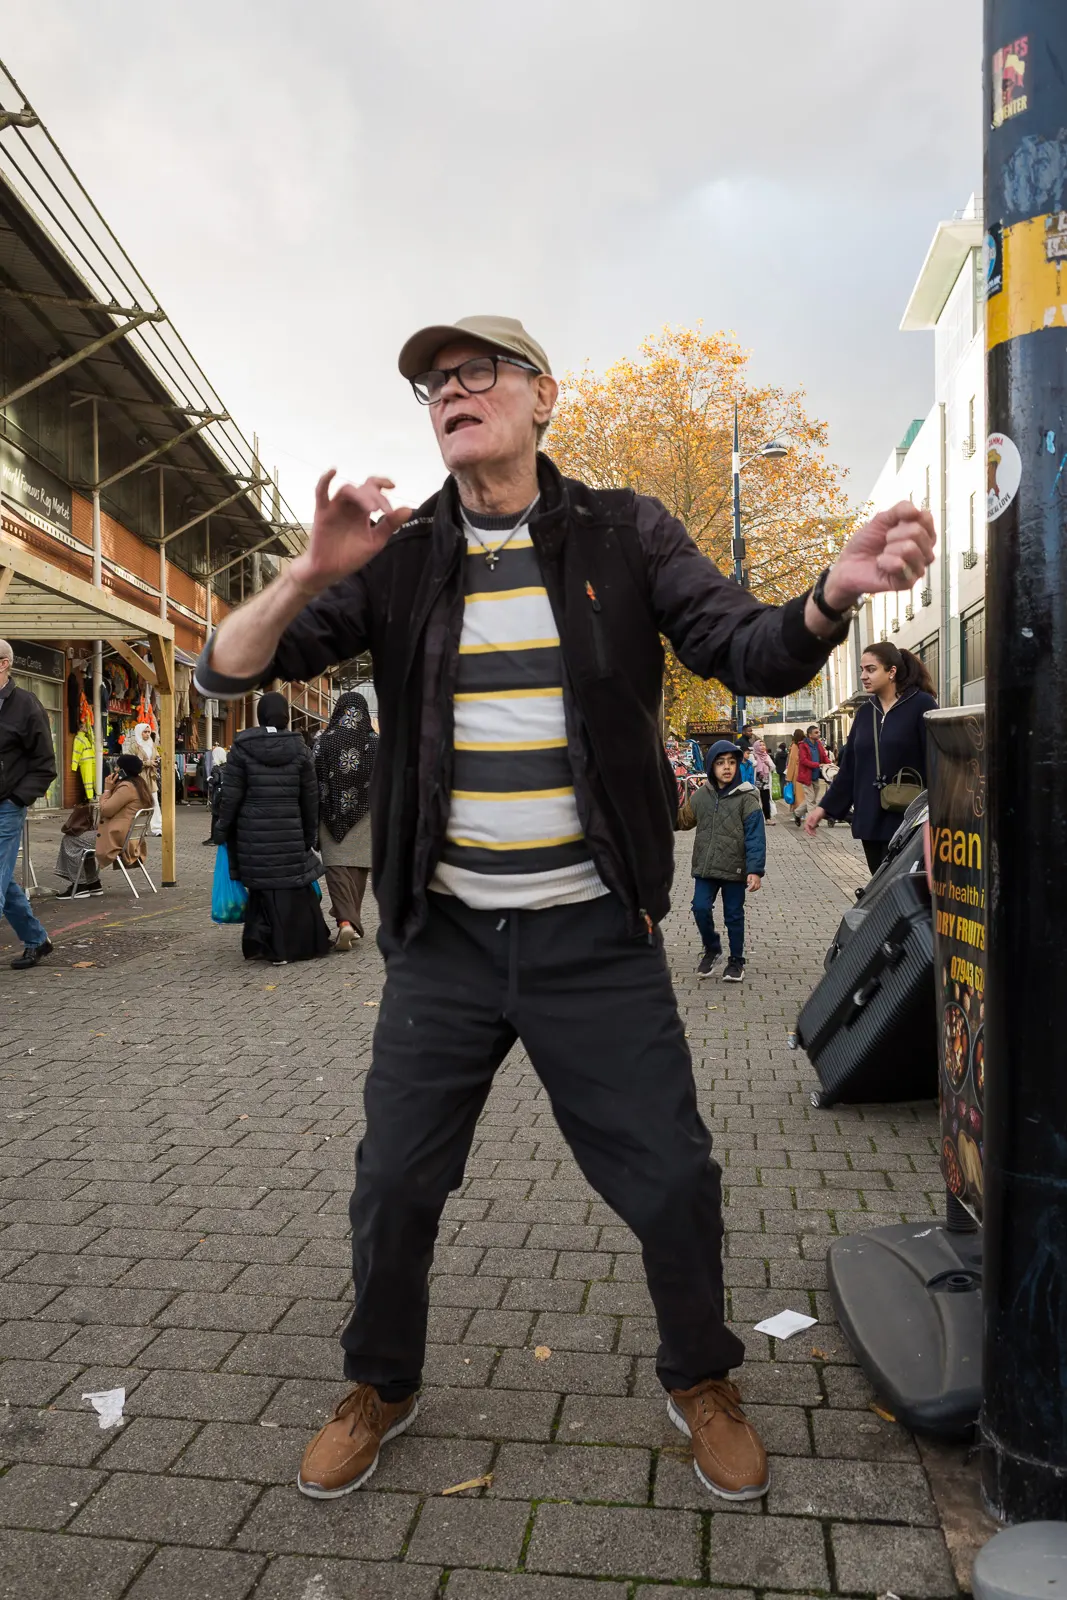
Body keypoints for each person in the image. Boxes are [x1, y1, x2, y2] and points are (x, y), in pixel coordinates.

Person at [194, 312, 935, 1503]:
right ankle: (380, 1381)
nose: (450, 391)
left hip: (595, 934)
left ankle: (700, 1376)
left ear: (542, 395)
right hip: (443, 941)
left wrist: (828, 594)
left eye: (475, 371)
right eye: (433, 382)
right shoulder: (398, 554)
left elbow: (744, 648)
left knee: (672, 1177)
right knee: (393, 1183)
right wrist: (302, 574)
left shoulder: (623, 530)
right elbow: (226, 668)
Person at [211, 692, 330, 964]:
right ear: (286, 716)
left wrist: (222, 829)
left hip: (253, 833)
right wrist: (309, 834)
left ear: (260, 715)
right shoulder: (301, 749)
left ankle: (265, 945)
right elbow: (310, 797)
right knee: (291, 886)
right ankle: (296, 944)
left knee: (263, 887)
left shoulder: (242, 748)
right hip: (290, 829)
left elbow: (231, 795)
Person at [805, 642, 938, 872]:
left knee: (906, 887)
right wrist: (823, 808)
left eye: (871, 669)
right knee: (879, 888)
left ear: (891, 671)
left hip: (909, 818)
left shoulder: (921, 704)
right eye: (862, 670)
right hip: (871, 818)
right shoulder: (865, 713)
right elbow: (850, 768)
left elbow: (937, 760)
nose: (863, 676)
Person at [677, 740, 765, 983]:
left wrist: (755, 870)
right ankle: (712, 948)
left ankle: (736, 961)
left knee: (733, 915)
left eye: (731, 762)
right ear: (710, 767)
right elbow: (683, 821)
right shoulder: (702, 795)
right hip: (706, 868)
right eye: (720, 763)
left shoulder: (747, 797)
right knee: (700, 907)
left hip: (735, 869)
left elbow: (756, 836)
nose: (727, 767)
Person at [0, 638, 57, 970]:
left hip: (7, 807)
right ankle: (37, 940)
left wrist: (18, 797)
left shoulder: (26, 705)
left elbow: (45, 763)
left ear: (3, 664)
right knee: (4, 880)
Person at [314, 691, 377, 950]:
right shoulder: (376, 743)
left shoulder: (323, 741)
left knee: (336, 868)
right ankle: (350, 920)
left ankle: (346, 922)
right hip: (366, 813)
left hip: (330, 813)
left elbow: (313, 780)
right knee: (358, 869)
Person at [94, 754, 153, 874]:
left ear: (123, 771)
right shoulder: (140, 784)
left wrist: (107, 790)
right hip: (130, 837)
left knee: (75, 840)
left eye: (117, 767)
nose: (115, 769)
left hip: (116, 837)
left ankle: (85, 881)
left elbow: (106, 810)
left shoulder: (126, 788)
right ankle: (90, 880)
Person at [750, 733, 775, 824]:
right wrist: (756, 762)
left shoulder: (767, 756)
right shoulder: (753, 756)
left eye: (763, 745)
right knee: (755, 801)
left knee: (766, 800)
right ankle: (755, 819)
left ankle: (768, 818)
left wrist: (769, 764)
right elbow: (751, 765)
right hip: (756, 782)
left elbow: (773, 767)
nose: (762, 747)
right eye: (760, 745)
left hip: (765, 782)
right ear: (756, 747)